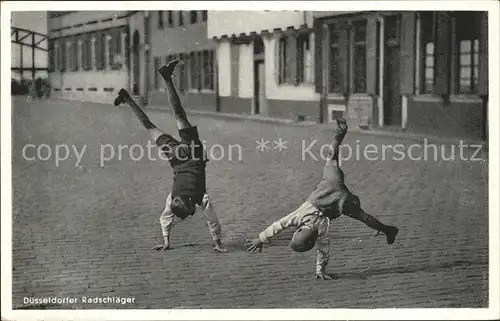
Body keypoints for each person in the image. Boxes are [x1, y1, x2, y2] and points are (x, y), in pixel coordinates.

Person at [246, 118, 399, 279]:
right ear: (298, 230)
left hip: (341, 203)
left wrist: (320, 270)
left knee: (363, 217)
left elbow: (323, 249)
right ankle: (340, 133)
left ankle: (388, 230)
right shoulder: (299, 216)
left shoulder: (322, 228)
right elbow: (279, 225)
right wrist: (260, 238)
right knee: (331, 157)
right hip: (332, 185)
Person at [114, 60, 227, 253]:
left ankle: (165, 78)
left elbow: (212, 220)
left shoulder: (199, 196)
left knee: (178, 115)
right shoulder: (173, 197)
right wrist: (166, 241)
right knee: (151, 125)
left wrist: (218, 243)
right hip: (176, 157)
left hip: (192, 153)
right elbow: (166, 217)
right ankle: (128, 99)